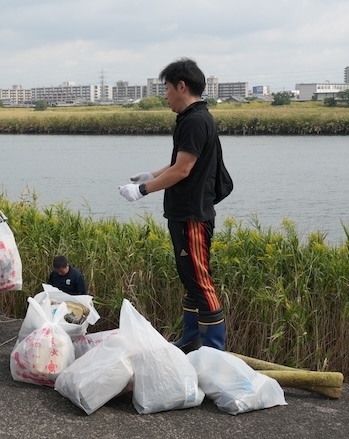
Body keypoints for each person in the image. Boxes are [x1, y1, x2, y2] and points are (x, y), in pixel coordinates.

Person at [118, 57, 226, 352]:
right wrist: (152, 174)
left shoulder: (195, 120)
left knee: (201, 281)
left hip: (192, 215)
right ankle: (192, 340)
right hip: (183, 212)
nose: (165, 95)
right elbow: (180, 162)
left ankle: (215, 350)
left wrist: (142, 190)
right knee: (190, 279)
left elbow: (183, 170)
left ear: (182, 86)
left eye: (166, 89)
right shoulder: (193, 118)